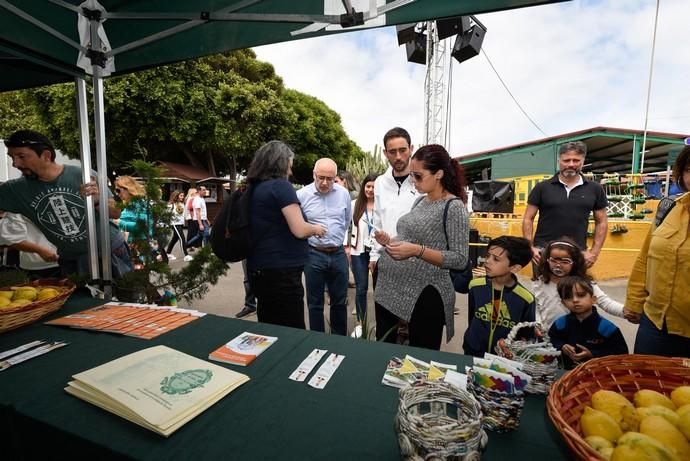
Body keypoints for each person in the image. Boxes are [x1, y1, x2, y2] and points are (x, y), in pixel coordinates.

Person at [374, 144, 469, 350]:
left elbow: (460, 259)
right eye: (412, 175)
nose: (413, 181)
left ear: (439, 174)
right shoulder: (420, 201)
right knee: (387, 347)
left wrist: (417, 251)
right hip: (394, 288)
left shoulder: (454, 208)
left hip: (425, 294)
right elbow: (411, 237)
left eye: (418, 176)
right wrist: (389, 241)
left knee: (420, 356)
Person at [0, 130, 132, 277]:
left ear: (46, 155)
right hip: (71, 260)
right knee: (81, 299)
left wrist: (97, 201)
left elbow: (116, 212)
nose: (15, 164)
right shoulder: (15, 190)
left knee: (125, 298)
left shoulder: (83, 175)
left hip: (111, 250)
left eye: (21, 156)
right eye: (12, 157)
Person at [246, 141, 325, 329]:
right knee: (292, 330)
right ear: (282, 162)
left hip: (260, 270)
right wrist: (316, 228)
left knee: (269, 326)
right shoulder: (281, 187)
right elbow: (299, 229)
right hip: (282, 274)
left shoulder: (256, 188)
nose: (291, 168)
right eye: (290, 162)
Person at [625, 153, 690, 356]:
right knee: (645, 383)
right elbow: (646, 257)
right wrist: (634, 302)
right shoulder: (669, 207)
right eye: (689, 170)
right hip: (655, 323)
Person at [522, 141, 608, 271]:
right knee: (543, 290)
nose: (571, 164)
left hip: (577, 253)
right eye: (566, 160)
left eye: (576, 160)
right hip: (544, 253)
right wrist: (530, 248)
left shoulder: (595, 189)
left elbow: (601, 222)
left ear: (583, 161)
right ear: (559, 161)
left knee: (573, 290)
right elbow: (528, 218)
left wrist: (594, 253)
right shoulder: (542, 188)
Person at [296, 158, 352, 336]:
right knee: (314, 303)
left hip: (338, 254)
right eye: (321, 177)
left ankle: (339, 339)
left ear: (335, 177)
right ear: (314, 174)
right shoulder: (302, 195)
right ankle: (317, 340)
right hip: (313, 254)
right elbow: (298, 224)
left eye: (330, 178)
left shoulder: (343, 194)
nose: (325, 182)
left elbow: (346, 221)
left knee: (339, 301)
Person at [462, 236, 535, 357]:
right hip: (472, 352)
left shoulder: (525, 298)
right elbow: (472, 318)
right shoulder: (475, 286)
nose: (487, 261)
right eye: (487, 256)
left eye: (496, 259)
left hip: (505, 359)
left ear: (514, 267)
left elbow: (526, 335)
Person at [532, 238, 626, 330]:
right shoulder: (540, 283)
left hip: (578, 334)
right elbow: (535, 308)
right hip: (548, 335)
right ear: (547, 260)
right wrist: (537, 324)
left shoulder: (583, 283)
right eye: (554, 260)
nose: (558, 265)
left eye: (565, 261)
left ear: (575, 263)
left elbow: (605, 302)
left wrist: (627, 312)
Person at [368, 127, 420, 281]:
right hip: (385, 262)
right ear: (385, 153)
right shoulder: (379, 182)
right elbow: (377, 221)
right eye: (392, 152)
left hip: (417, 264)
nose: (398, 156)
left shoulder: (423, 182)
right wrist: (374, 255)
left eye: (402, 150)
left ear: (411, 149)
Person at [549, 276, 628, 369]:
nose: (575, 300)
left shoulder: (607, 328)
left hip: (599, 374)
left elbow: (621, 354)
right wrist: (561, 346)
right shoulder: (560, 324)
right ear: (563, 303)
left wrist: (592, 354)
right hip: (567, 375)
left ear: (593, 299)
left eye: (581, 295)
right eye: (568, 297)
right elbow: (552, 339)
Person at [114, 175, 168, 264]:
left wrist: (120, 223)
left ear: (128, 189)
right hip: (132, 246)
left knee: (138, 276)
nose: (117, 194)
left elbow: (143, 225)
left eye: (118, 190)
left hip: (140, 247)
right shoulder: (131, 203)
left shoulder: (139, 203)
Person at [349, 173, 378, 322]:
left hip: (377, 252)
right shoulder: (355, 204)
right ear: (363, 187)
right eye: (368, 186)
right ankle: (361, 323)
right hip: (358, 251)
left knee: (379, 290)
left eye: (374, 187)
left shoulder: (382, 205)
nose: (370, 190)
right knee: (361, 289)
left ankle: (382, 325)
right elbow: (346, 226)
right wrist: (346, 247)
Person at [0, 211, 61, 278]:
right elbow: (13, 240)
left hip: (61, 258)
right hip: (41, 263)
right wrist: (41, 251)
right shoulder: (14, 211)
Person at [164, 189, 189, 261]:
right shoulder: (171, 204)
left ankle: (168, 253)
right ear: (176, 196)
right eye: (181, 196)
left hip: (180, 223)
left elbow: (183, 214)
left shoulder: (182, 204)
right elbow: (166, 214)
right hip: (174, 223)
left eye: (183, 196)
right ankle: (186, 255)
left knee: (175, 239)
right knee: (182, 238)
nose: (182, 197)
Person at [183, 188, 198, 252]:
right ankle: (188, 245)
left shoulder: (188, 199)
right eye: (196, 192)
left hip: (189, 217)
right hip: (192, 217)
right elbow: (191, 209)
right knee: (192, 232)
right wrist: (193, 218)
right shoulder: (191, 198)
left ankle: (190, 246)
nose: (197, 193)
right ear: (192, 193)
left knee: (191, 232)